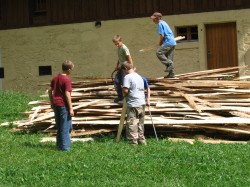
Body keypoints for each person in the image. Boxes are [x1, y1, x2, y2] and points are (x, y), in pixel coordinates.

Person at [48, 60, 74, 151]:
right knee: (65, 127)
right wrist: (71, 108)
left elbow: (49, 91)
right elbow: (67, 94)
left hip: (56, 104)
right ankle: (65, 148)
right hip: (63, 105)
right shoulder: (67, 80)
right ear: (69, 69)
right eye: (72, 69)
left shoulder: (55, 78)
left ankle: (59, 146)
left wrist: (51, 102)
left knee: (59, 126)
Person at [121, 61, 146, 145]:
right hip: (142, 103)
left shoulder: (127, 77)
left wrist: (122, 92)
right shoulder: (139, 76)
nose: (124, 72)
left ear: (125, 68)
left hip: (133, 103)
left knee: (132, 124)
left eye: (123, 71)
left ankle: (133, 144)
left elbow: (125, 90)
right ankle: (142, 142)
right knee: (140, 124)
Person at [150, 12, 176, 78]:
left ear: (157, 18)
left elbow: (162, 35)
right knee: (169, 58)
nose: (153, 20)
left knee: (159, 52)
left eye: (154, 19)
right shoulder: (164, 22)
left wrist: (160, 42)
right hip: (173, 42)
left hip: (168, 42)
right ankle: (171, 74)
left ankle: (170, 64)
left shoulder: (160, 24)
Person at [112, 34, 133, 103]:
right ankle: (120, 97)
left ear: (120, 41)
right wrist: (117, 65)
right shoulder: (118, 48)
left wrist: (131, 67)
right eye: (115, 44)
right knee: (116, 81)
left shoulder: (124, 48)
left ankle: (127, 98)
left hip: (126, 68)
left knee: (125, 83)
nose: (117, 45)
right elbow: (119, 58)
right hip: (121, 67)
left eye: (117, 43)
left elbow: (129, 57)